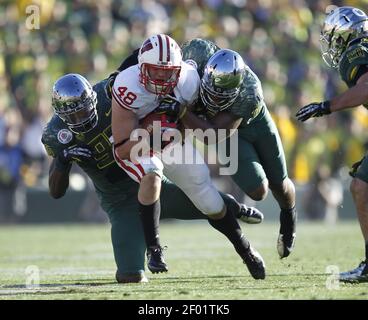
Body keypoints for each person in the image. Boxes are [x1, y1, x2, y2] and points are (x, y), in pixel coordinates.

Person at [42, 72, 264, 283]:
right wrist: (62, 162)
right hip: (120, 203)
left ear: (92, 98)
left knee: (211, 206)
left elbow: (137, 79)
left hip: (153, 186)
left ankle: (240, 226)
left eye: (83, 110)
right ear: (60, 115)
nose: (80, 118)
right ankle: (235, 208)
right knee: (130, 277)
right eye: (72, 114)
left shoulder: (110, 92)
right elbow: (56, 192)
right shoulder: (56, 134)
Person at [111, 34, 266, 279]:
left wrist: (177, 119)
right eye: (155, 72)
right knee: (152, 173)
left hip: (170, 138)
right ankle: (154, 249)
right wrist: (150, 134)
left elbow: (197, 127)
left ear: (178, 69)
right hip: (136, 144)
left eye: (168, 72)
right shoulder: (127, 85)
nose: (162, 79)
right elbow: (120, 148)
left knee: (209, 201)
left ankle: (246, 250)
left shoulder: (189, 80)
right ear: (141, 67)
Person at [179, 38, 297, 259]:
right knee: (258, 191)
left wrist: (183, 112)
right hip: (221, 131)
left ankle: (289, 217)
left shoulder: (249, 93)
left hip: (247, 125)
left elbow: (212, 134)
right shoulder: (196, 52)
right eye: (211, 91)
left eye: (220, 95)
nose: (213, 98)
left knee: (279, 183)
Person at [296, 6, 368, 283]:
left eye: (333, 35)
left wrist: (327, 106)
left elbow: (366, 88)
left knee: (361, 187)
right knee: (361, 184)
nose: (332, 42)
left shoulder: (357, 50)